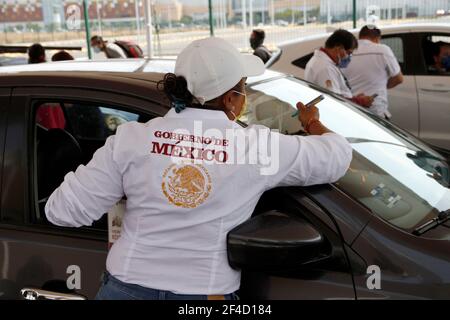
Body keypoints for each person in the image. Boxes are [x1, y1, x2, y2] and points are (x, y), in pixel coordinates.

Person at [45, 37, 352, 300]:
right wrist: (311, 121)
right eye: (243, 87)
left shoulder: (131, 139)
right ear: (232, 99)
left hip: (126, 287)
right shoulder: (255, 147)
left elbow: (62, 211)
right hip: (204, 294)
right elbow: (337, 156)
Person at [341, 25, 404, 120]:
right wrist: (381, 86)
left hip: (351, 108)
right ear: (377, 38)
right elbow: (399, 79)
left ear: (360, 36)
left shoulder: (348, 51)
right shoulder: (382, 50)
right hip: (375, 111)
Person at [305, 29, 374, 109]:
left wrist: (354, 99)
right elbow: (334, 100)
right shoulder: (325, 68)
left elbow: (336, 94)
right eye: (349, 53)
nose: (348, 57)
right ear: (339, 48)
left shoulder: (324, 63)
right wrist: (359, 102)